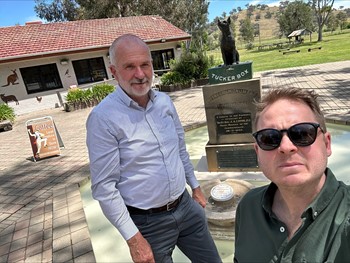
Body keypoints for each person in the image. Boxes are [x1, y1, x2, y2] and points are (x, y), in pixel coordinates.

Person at [86, 34, 221, 263]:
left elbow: (179, 149)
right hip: (148, 226)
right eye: (129, 66)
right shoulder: (103, 119)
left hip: (186, 207)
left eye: (145, 65)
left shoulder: (164, 103)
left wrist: (195, 187)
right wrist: (134, 239)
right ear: (113, 71)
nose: (140, 74)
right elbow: (104, 187)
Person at [234, 87, 350, 262]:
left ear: (326, 144)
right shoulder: (248, 207)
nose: (286, 147)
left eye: (302, 133)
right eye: (269, 138)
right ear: (257, 151)